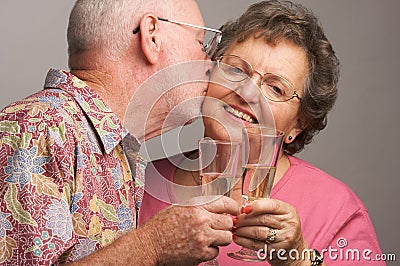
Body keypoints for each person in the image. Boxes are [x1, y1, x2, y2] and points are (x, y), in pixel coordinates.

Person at [139, 0, 384, 265]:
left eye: (276, 88)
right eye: (235, 70)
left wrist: (299, 260)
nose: (247, 92)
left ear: (298, 124)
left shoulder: (337, 209)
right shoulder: (141, 183)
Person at [0, 0, 239, 265]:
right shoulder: (37, 128)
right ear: (152, 36)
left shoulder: (118, 152)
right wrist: (153, 245)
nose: (210, 62)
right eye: (201, 42)